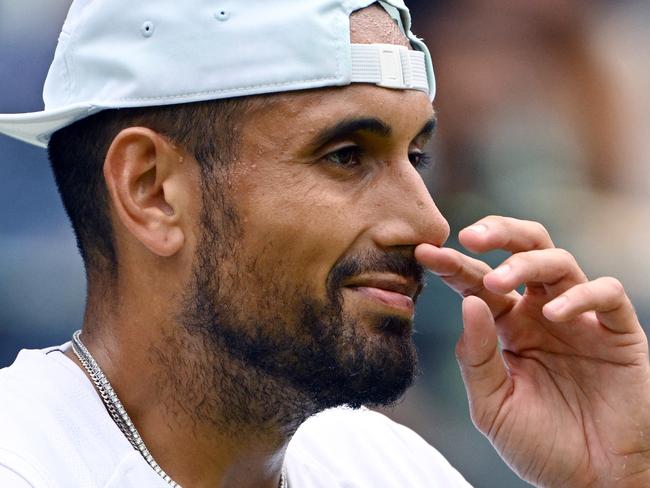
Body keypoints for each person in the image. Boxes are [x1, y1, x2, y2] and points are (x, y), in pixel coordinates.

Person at [0, 1, 648, 487]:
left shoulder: (388, 467)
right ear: (153, 191)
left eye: (417, 158)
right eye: (345, 156)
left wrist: (617, 474)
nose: (428, 223)